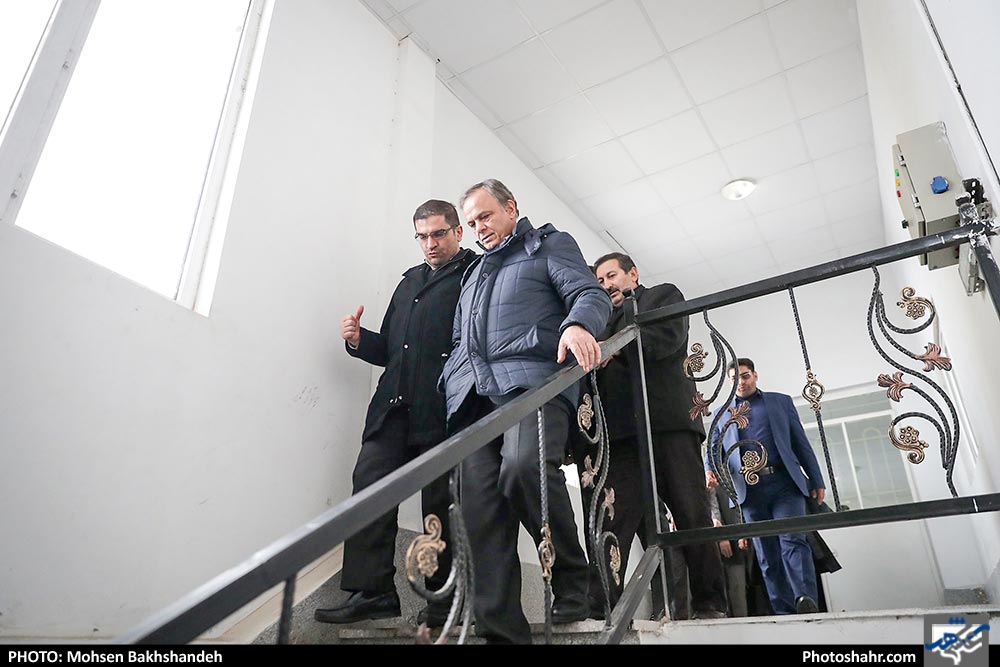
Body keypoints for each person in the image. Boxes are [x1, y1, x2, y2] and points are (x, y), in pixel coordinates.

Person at [440, 178, 612, 644]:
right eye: (472, 222)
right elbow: (460, 338)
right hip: (474, 400)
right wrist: (452, 380)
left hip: (532, 386)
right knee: (479, 508)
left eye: (485, 216)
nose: (479, 228)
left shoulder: (548, 245)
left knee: (522, 469)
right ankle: (501, 632)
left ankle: (574, 579)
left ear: (511, 207)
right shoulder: (473, 273)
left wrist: (578, 325)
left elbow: (590, 295)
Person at [314, 200, 477, 627]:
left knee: (439, 504)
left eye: (438, 234)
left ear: (457, 232)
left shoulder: (475, 274)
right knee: (369, 486)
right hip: (393, 408)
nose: (430, 243)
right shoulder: (409, 283)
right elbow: (391, 348)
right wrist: (358, 339)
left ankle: (444, 604)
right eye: (422, 236)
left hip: (442, 410)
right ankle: (373, 593)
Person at [576, 252, 728, 620]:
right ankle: (601, 606)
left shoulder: (663, 295)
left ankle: (710, 603)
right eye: (600, 281)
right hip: (620, 436)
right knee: (612, 520)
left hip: (669, 426)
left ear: (633, 273)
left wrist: (615, 347)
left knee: (691, 513)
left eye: (612, 276)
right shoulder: (599, 320)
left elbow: (665, 340)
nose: (606, 285)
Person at [705, 357, 826, 615]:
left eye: (745, 376)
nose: (741, 382)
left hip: (785, 484)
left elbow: (800, 442)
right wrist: (709, 470)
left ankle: (805, 599)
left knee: (793, 540)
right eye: (735, 379)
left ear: (755, 375)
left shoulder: (780, 402)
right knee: (766, 554)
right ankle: (784, 611)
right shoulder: (721, 414)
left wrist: (816, 479)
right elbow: (713, 450)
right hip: (749, 492)